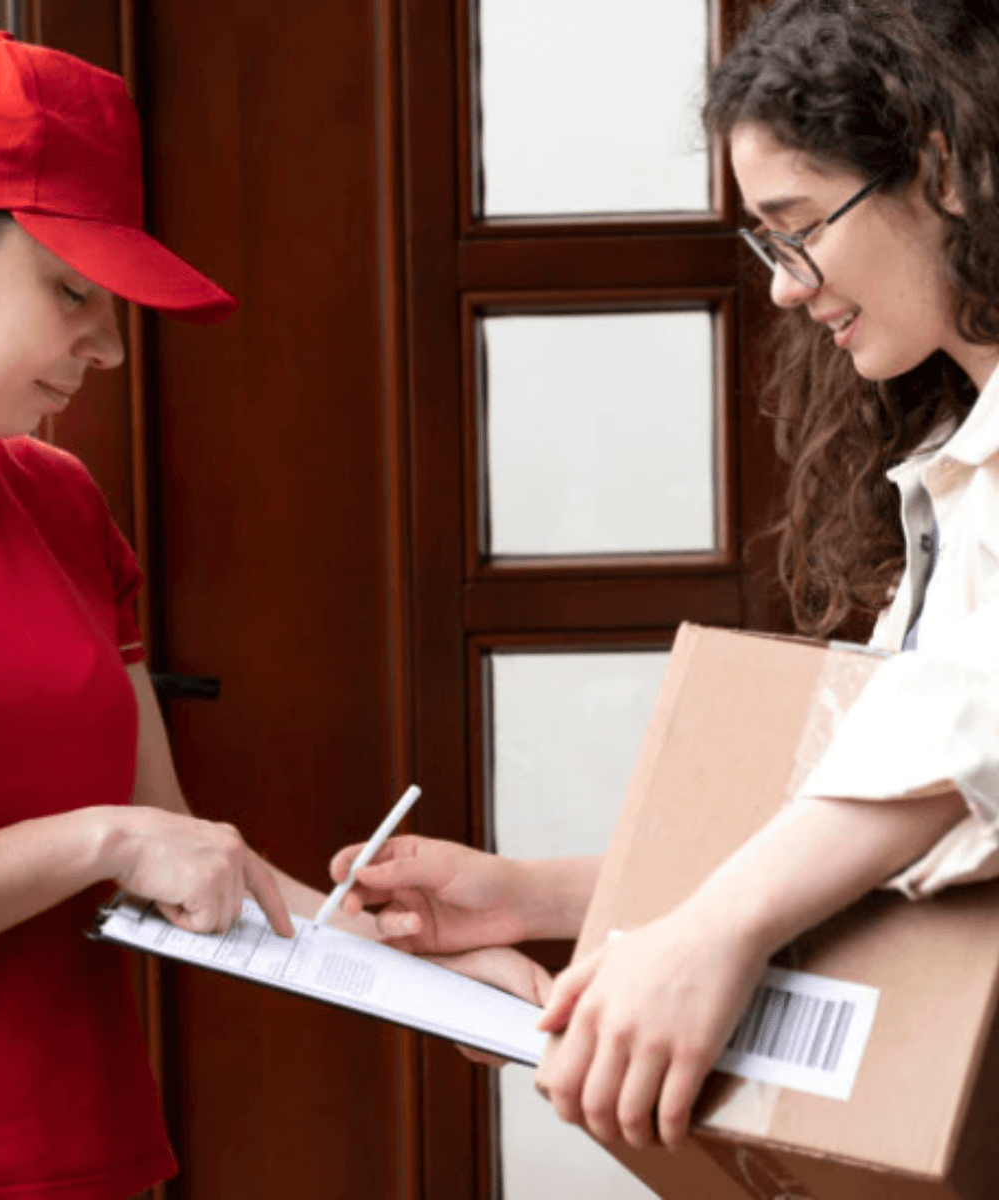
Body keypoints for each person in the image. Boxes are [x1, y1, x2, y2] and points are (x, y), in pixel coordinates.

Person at [331, 0, 999, 1157]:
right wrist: (541, 901)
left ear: (940, 165)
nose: (786, 286)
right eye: (765, 244)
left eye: (799, 228)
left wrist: (707, 936)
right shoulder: (957, 465)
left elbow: (969, 727)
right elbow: (902, 816)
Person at [0, 30, 397, 1199]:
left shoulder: (58, 502)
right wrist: (98, 839)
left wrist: (469, 978)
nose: (112, 346)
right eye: (73, 290)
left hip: (97, 1164)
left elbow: (171, 851)